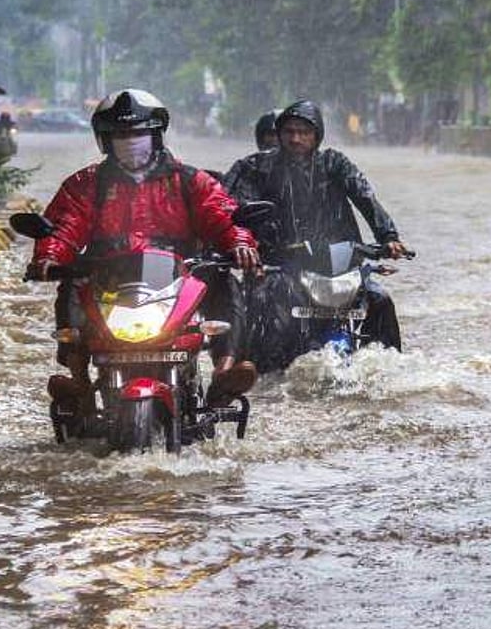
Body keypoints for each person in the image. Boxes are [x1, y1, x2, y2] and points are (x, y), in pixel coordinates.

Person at [29, 88, 261, 406]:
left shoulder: (190, 180)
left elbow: (221, 217)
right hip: (107, 278)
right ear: (106, 139)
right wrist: (50, 257)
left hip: (179, 275)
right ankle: (79, 381)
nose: (130, 140)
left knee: (223, 281)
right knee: (71, 286)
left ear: (155, 135)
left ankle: (224, 372)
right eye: (121, 134)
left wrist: (239, 244)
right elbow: (64, 227)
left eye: (138, 133)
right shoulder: (85, 185)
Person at [226, 99, 409, 364]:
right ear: (279, 135)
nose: (296, 138)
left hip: (338, 262)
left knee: (379, 299)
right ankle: (254, 368)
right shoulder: (255, 167)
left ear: (317, 136)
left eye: (304, 132)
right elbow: (229, 206)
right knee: (264, 297)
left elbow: (365, 197)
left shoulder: (335, 164)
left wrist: (389, 237)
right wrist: (250, 241)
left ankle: (390, 366)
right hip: (279, 263)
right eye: (289, 132)